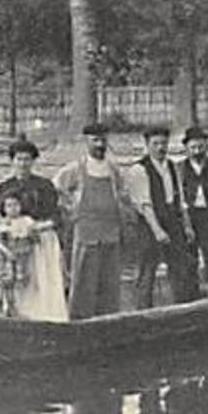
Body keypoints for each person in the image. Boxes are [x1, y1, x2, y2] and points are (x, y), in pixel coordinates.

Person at [54, 122, 132, 319]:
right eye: (95, 140)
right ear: (85, 142)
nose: (100, 145)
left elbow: (123, 194)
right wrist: (70, 209)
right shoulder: (76, 168)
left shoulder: (113, 168)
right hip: (86, 231)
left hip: (111, 231)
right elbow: (56, 188)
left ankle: (107, 319)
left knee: (109, 279)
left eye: (103, 140)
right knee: (84, 279)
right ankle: (80, 319)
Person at [0, 137, 67, 321]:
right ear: (12, 161)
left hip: (41, 237)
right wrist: (9, 227)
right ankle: (16, 314)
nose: (22, 164)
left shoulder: (44, 186)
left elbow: (56, 215)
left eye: (27, 159)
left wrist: (39, 226)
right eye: (18, 159)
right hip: (14, 241)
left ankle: (46, 315)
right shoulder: (4, 187)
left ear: (33, 161)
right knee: (15, 278)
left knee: (42, 278)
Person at [127, 125, 198, 308]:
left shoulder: (173, 167)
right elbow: (145, 204)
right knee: (147, 272)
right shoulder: (139, 169)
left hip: (173, 222)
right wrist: (157, 230)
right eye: (156, 144)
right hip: (149, 225)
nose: (160, 148)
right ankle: (142, 315)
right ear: (147, 145)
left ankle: (180, 311)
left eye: (164, 143)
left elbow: (180, 200)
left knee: (180, 269)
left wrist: (188, 226)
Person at [176, 125, 208, 287]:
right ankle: (191, 294)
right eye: (193, 147)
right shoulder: (178, 169)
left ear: (206, 146)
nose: (197, 151)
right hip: (189, 219)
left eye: (200, 147)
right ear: (186, 148)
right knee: (189, 260)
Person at [0, 193, 38, 317]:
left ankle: (14, 309)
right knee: (2, 285)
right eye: (9, 206)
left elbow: (33, 239)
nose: (13, 208)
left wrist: (31, 238)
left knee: (18, 285)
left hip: (22, 257)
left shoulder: (26, 221)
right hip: (5, 259)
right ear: (4, 208)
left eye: (16, 205)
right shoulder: (3, 224)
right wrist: (7, 252)